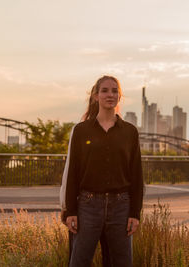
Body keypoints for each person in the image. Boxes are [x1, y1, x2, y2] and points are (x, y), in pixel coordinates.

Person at [65, 75, 143, 267]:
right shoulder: (81, 131)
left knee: (122, 262)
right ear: (95, 96)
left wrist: (135, 213)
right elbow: (73, 172)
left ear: (120, 97)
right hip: (88, 206)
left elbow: (136, 174)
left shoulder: (130, 132)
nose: (110, 95)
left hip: (121, 207)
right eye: (105, 90)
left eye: (115, 91)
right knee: (79, 262)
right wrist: (70, 211)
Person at [60, 125, 111, 266]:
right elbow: (71, 172)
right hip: (85, 204)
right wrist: (68, 207)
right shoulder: (81, 130)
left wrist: (66, 206)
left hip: (105, 204)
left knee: (80, 257)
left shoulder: (121, 130)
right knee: (82, 257)